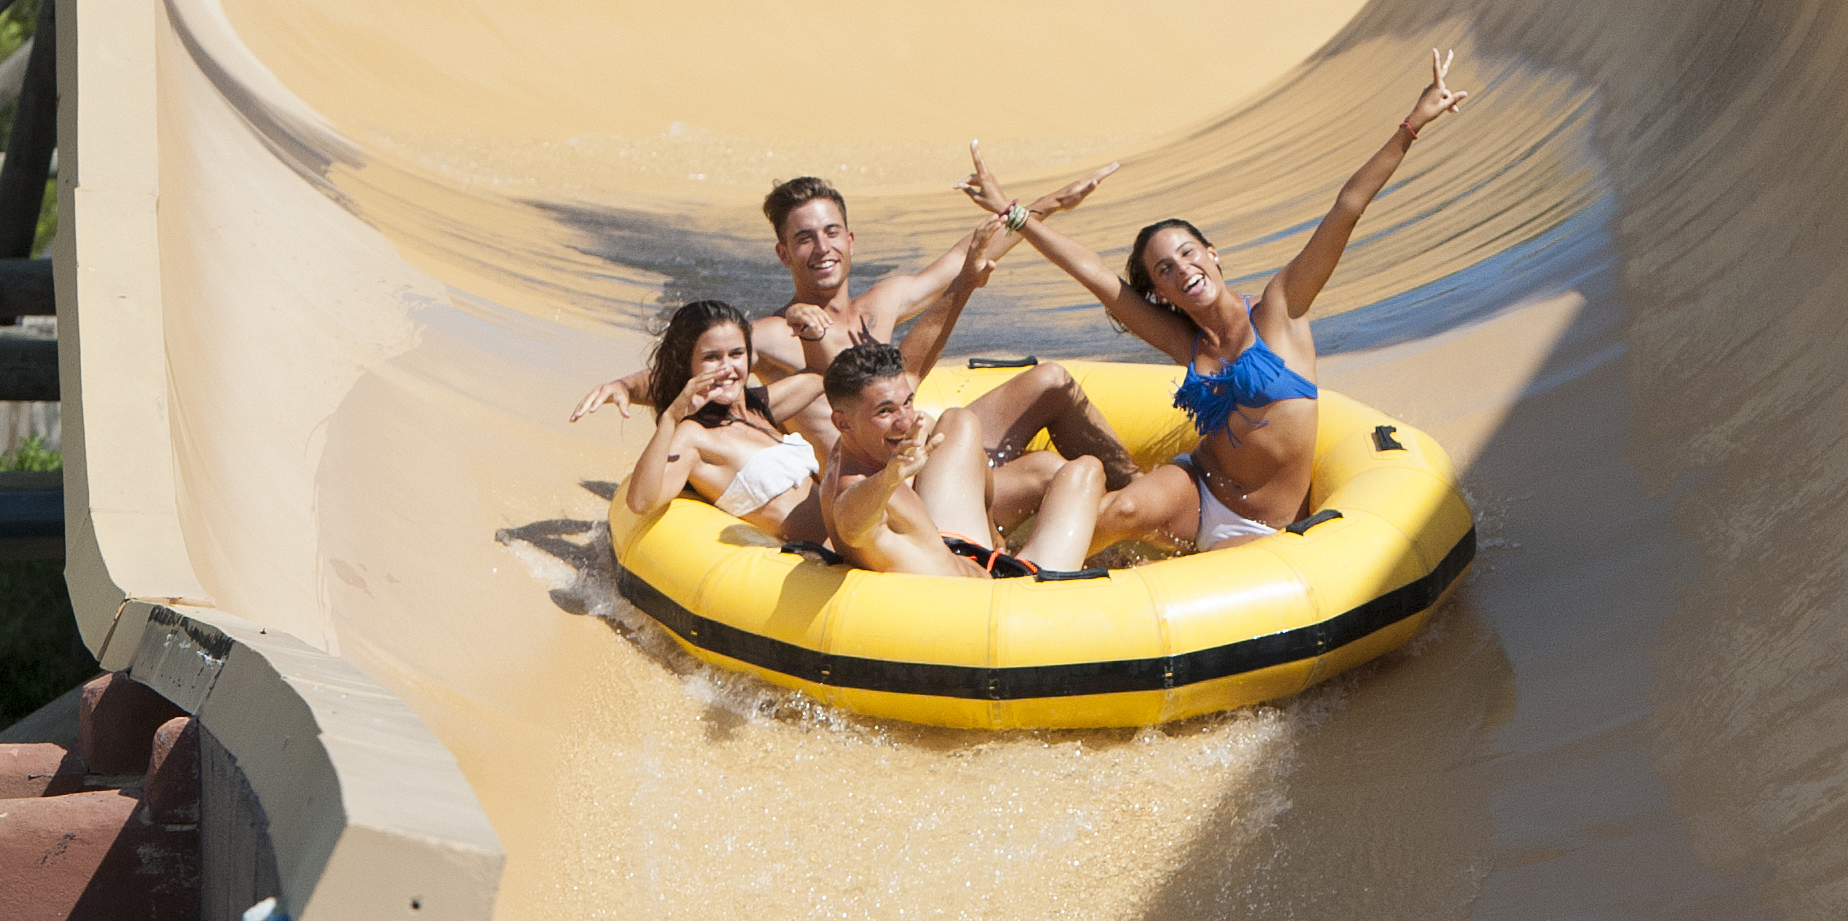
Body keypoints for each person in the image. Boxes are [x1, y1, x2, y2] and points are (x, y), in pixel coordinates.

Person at [961, 49, 1470, 553]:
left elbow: (1347, 207)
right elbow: (1092, 273)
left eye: (1188, 253)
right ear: (1160, 292)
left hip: (1262, 527)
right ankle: (1005, 577)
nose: (1183, 269)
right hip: (1197, 491)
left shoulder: (1280, 309)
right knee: (1120, 512)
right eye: (1165, 270)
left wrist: (1412, 125)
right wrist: (1014, 212)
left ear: (1212, 253)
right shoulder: (1187, 339)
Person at [571, 170, 1067, 426]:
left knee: (1050, 384)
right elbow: (700, 372)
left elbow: (966, 255)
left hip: (906, 446)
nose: (822, 248)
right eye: (805, 238)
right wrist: (626, 386)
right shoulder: (771, 335)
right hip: (849, 485)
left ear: (852, 240)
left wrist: (1046, 207)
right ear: (784, 253)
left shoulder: (885, 300)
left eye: (832, 232)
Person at [819, 227, 1110, 577]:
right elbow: (850, 521)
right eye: (885, 412)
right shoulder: (857, 490)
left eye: (906, 404)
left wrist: (965, 282)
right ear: (842, 422)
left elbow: (917, 356)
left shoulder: (855, 438)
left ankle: (997, 538)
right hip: (1012, 593)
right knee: (1087, 471)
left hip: (960, 545)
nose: (904, 421)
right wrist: (891, 477)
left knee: (958, 420)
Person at [620, 301, 831, 543]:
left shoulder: (757, 410)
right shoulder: (694, 435)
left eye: (736, 354)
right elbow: (640, 502)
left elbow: (822, 377)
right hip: (820, 565)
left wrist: (806, 326)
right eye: (711, 357)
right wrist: (670, 418)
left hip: (851, 553)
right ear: (686, 364)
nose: (727, 368)